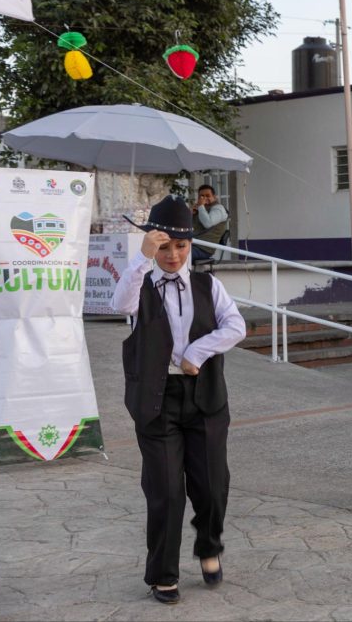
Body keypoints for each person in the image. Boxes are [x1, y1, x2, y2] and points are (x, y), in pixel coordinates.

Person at [111, 195, 246, 604]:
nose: (173, 255)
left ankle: (208, 547)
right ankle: (163, 574)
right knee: (166, 491)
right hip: (156, 400)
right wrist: (141, 258)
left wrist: (197, 352)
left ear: (190, 245)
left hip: (205, 398)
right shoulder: (140, 283)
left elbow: (235, 326)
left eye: (181, 246)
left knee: (213, 485)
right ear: (153, 246)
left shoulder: (209, 284)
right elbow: (119, 304)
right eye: (164, 247)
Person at [191, 185, 229, 262]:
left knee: (179, 254)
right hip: (193, 244)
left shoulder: (218, 209)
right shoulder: (201, 209)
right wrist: (190, 214)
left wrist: (201, 206)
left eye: (208, 196)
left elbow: (208, 223)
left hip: (204, 249)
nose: (204, 198)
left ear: (214, 197)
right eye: (202, 196)